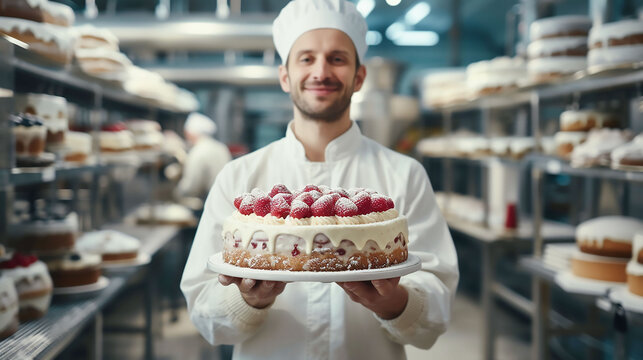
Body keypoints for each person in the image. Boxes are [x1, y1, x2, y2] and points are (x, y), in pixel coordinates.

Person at [180, 1, 459, 359]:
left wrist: (396, 303)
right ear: (285, 76)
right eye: (306, 58)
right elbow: (204, 313)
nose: (321, 71)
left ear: (359, 77)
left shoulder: (405, 175)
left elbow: (436, 312)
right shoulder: (239, 177)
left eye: (338, 59)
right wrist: (246, 300)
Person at [175, 112, 232, 200]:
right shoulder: (221, 147)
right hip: (226, 197)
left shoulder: (198, 151)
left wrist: (177, 192)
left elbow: (191, 186)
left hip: (208, 200)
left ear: (191, 133)